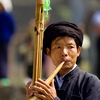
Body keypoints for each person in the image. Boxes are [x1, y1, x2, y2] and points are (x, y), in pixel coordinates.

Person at [26, 21, 100, 100]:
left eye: (70, 47)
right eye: (58, 47)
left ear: (78, 51)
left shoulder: (90, 83)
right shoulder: (43, 87)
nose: (64, 53)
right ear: (49, 52)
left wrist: (54, 99)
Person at [0, 0, 16, 85]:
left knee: (4, 59)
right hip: (4, 39)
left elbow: (13, 27)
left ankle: (4, 77)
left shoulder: (7, 15)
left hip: (5, 40)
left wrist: (9, 36)